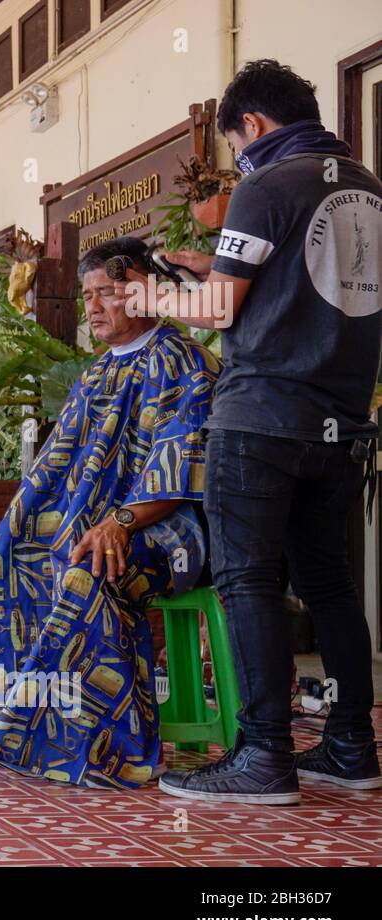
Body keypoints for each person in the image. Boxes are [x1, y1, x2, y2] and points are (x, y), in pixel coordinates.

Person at [0, 238, 220, 789]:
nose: (94, 307)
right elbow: (52, 470)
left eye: (106, 293)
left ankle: (89, 744)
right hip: (88, 521)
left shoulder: (186, 363)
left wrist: (120, 521)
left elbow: (181, 471)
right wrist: (4, 529)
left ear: (143, 291)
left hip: (174, 529)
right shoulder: (96, 374)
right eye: (88, 296)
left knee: (89, 572)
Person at [123, 60, 382, 802]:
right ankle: (351, 747)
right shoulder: (363, 185)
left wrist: (153, 293)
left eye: (237, 144)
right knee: (330, 585)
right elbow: (303, 281)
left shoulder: (267, 183)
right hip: (340, 422)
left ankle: (263, 756)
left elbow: (221, 311)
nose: (239, 158)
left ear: (255, 127)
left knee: (247, 582)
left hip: (262, 417)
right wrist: (204, 264)